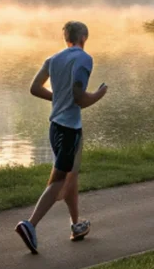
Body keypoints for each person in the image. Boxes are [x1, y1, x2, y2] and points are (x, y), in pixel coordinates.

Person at [15, 20, 108, 254]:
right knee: (58, 181)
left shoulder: (53, 59)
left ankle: (76, 225)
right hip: (69, 130)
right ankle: (30, 224)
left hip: (56, 126)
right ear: (84, 37)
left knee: (71, 176)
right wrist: (98, 94)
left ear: (66, 39)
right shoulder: (85, 59)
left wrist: (57, 99)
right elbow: (79, 97)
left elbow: (35, 88)